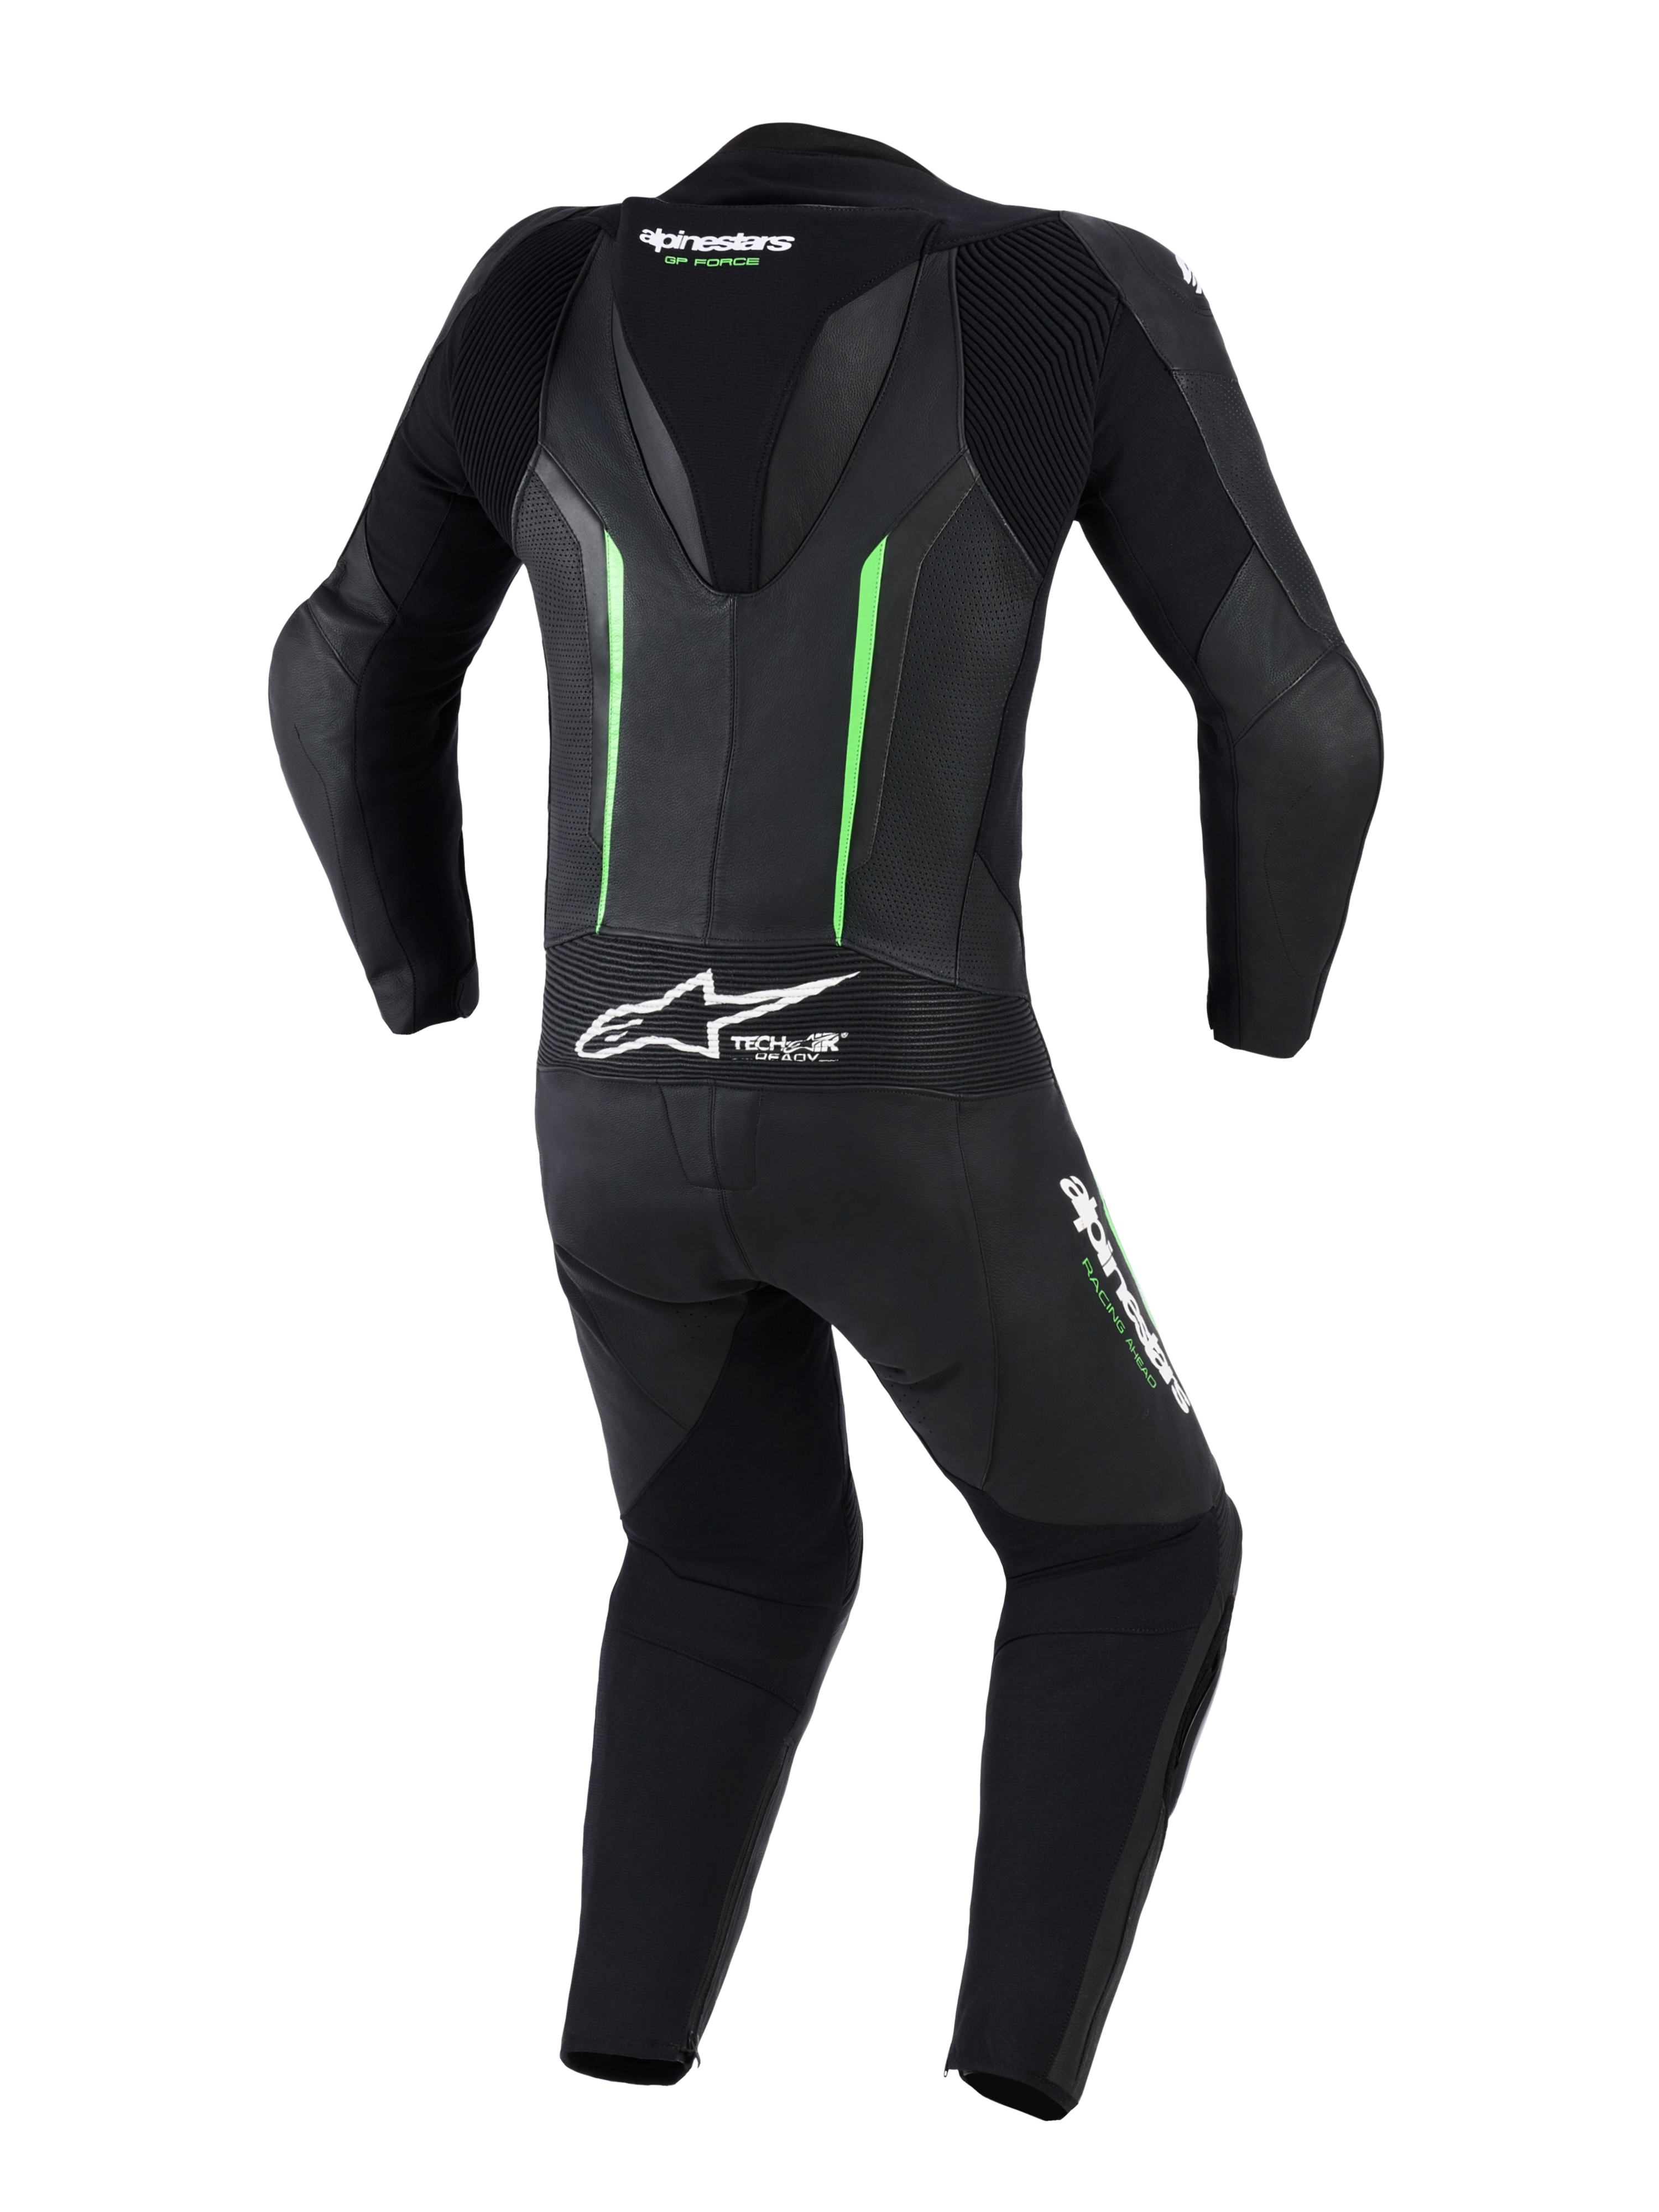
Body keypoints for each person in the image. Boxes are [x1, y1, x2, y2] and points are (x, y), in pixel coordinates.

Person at [268, 121, 1380, 2117]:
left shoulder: (538, 283)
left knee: (722, 1559)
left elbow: (340, 670)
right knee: (1136, 1552)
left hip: (605, 1099)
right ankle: (1003, 2104)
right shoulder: (1056, 283)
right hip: (916, 1099)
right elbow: (1302, 713)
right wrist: (1260, 1033)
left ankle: (621, 2063)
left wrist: (423, 986)